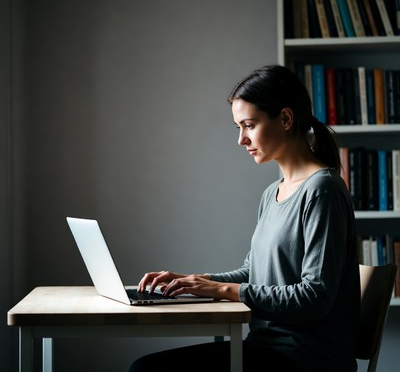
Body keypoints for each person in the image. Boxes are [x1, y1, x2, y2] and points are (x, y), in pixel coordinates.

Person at [129, 64, 360, 372]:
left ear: (286, 119)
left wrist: (221, 290)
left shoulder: (323, 191)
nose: (241, 139)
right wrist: (195, 282)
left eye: (249, 125)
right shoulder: (272, 193)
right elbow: (254, 273)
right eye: (238, 127)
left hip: (304, 360)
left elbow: (314, 297)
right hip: (265, 347)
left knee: (145, 370)